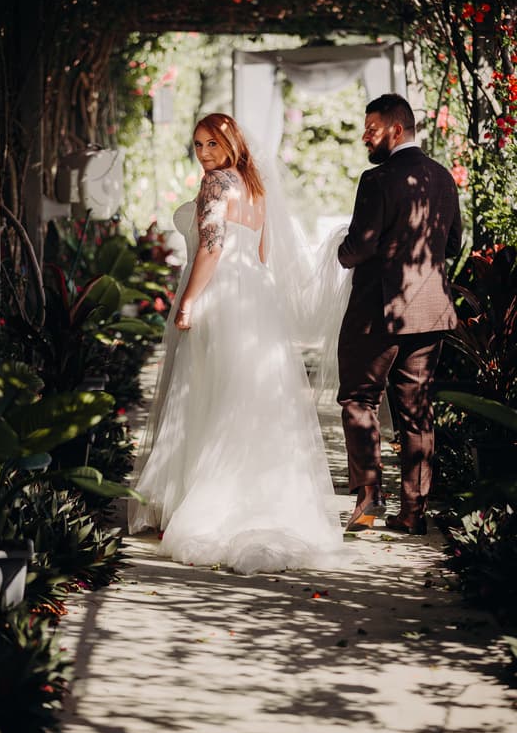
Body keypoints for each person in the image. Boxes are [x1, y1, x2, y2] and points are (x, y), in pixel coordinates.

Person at [128, 113, 349, 574]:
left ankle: (201, 501)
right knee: (250, 397)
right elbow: (264, 254)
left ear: (230, 144)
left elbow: (210, 248)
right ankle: (260, 496)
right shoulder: (257, 188)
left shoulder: (216, 185)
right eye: (198, 145)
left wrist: (188, 300)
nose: (204, 154)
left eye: (212, 144)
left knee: (204, 392)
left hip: (221, 294)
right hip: (257, 299)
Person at [337, 93, 462, 534]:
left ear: (395, 129)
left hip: (377, 311)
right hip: (429, 313)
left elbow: (360, 248)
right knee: (416, 412)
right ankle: (413, 513)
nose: (364, 137)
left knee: (358, 398)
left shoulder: (377, 180)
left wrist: (340, 251)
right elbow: (452, 246)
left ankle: (369, 498)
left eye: (371, 128)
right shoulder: (444, 178)